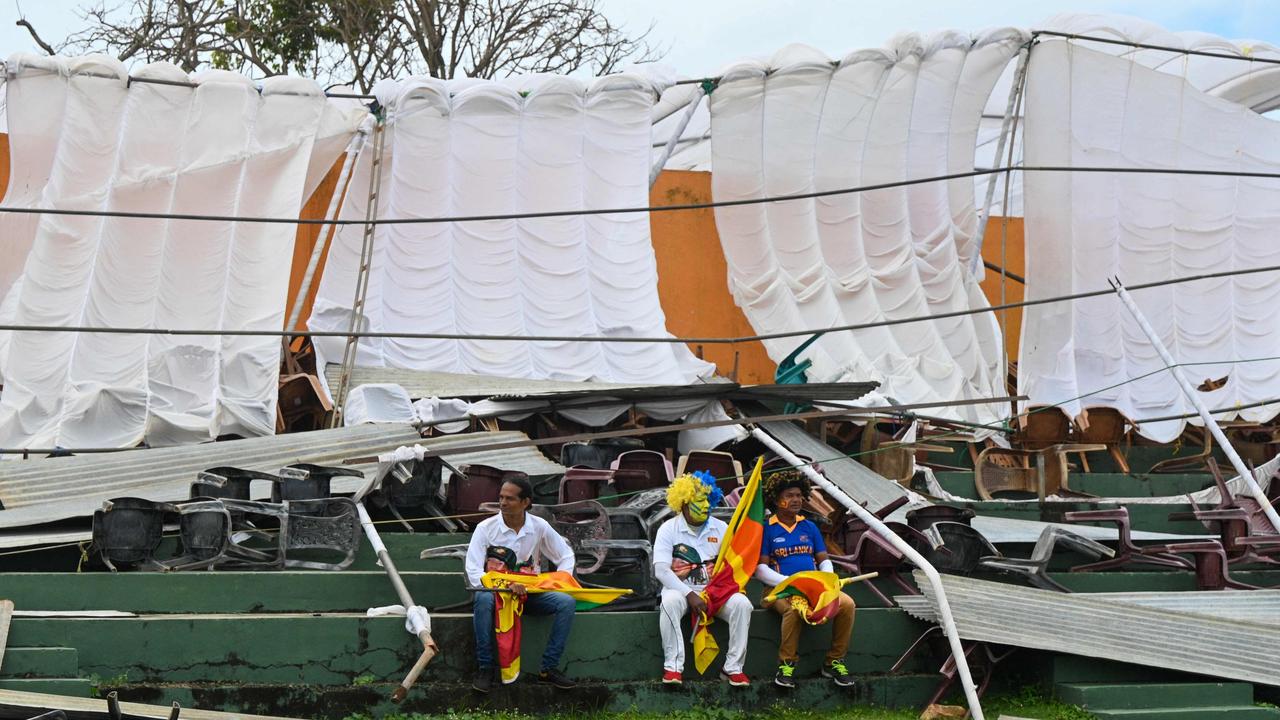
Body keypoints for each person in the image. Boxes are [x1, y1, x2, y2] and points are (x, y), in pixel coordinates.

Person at [464, 475, 577, 693]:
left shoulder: (539, 526)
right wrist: (505, 585)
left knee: (566, 602)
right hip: (495, 594)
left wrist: (556, 580)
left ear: (525, 502)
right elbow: (474, 571)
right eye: (501, 497)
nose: (503, 503)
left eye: (510, 499)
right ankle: (485, 668)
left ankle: (548, 668)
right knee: (482, 598)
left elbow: (566, 555)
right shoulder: (485, 528)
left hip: (530, 595)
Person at [755, 469, 856, 689]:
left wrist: (827, 579)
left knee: (847, 604)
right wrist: (790, 582)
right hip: (779, 591)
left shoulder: (809, 527)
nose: (796, 500)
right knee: (793, 610)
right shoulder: (767, 529)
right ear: (777, 499)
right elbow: (760, 569)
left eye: (799, 495)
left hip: (812, 588)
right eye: (790, 495)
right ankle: (786, 666)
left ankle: (834, 662)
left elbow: (823, 559)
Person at [652, 471, 753, 687]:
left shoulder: (721, 527)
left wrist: (717, 592)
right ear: (685, 503)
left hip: (714, 592)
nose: (706, 506)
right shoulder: (667, 529)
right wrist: (689, 594)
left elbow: (730, 566)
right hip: (679, 590)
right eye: (700, 501)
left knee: (742, 604)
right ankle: (673, 668)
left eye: (708, 500)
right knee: (668, 603)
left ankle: (733, 668)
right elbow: (661, 571)